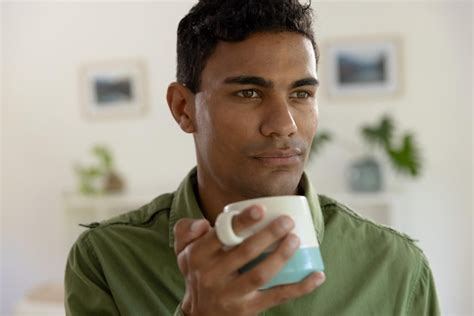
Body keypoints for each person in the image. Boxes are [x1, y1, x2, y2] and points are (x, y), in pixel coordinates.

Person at [64, 0, 440, 315]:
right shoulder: (106, 261)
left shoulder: (397, 267)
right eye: (248, 93)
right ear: (183, 108)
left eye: (301, 94)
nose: (284, 125)